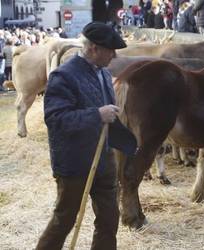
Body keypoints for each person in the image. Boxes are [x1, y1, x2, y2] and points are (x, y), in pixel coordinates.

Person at [36, 22, 137, 250]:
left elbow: (108, 118)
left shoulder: (103, 73)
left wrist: (127, 141)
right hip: (74, 163)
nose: (114, 55)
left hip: (103, 159)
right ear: (93, 48)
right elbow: (56, 120)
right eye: (110, 49)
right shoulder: (64, 76)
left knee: (109, 219)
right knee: (65, 219)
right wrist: (97, 115)